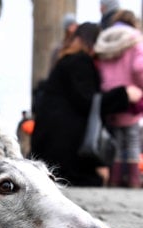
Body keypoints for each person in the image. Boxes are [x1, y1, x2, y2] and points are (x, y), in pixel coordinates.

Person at [30, 22, 142, 187]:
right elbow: (88, 101)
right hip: (65, 152)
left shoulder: (67, 60)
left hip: (52, 145)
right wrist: (124, 94)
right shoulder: (79, 62)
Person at [94, 10, 143, 188]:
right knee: (132, 141)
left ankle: (115, 179)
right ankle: (132, 180)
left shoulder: (104, 39)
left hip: (112, 98)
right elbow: (139, 67)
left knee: (115, 142)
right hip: (131, 99)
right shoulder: (135, 39)